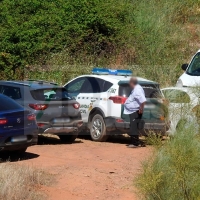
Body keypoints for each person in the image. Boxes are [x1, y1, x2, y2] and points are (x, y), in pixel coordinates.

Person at [124, 77, 146, 148]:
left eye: (129, 83)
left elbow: (143, 100)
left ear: (131, 83)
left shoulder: (137, 90)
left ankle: (134, 143)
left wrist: (141, 108)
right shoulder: (136, 89)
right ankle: (136, 142)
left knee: (133, 127)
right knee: (134, 127)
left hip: (135, 111)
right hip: (133, 111)